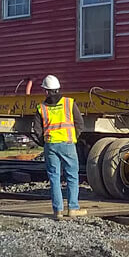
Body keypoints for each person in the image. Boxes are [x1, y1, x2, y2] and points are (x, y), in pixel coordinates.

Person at [32, 75, 86, 219]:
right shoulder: (69, 103)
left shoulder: (41, 108)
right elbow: (79, 123)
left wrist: (45, 142)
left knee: (54, 178)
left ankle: (58, 211)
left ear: (46, 91)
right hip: (68, 144)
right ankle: (73, 208)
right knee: (72, 176)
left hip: (51, 146)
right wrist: (74, 137)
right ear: (58, 89)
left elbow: (37, 130)